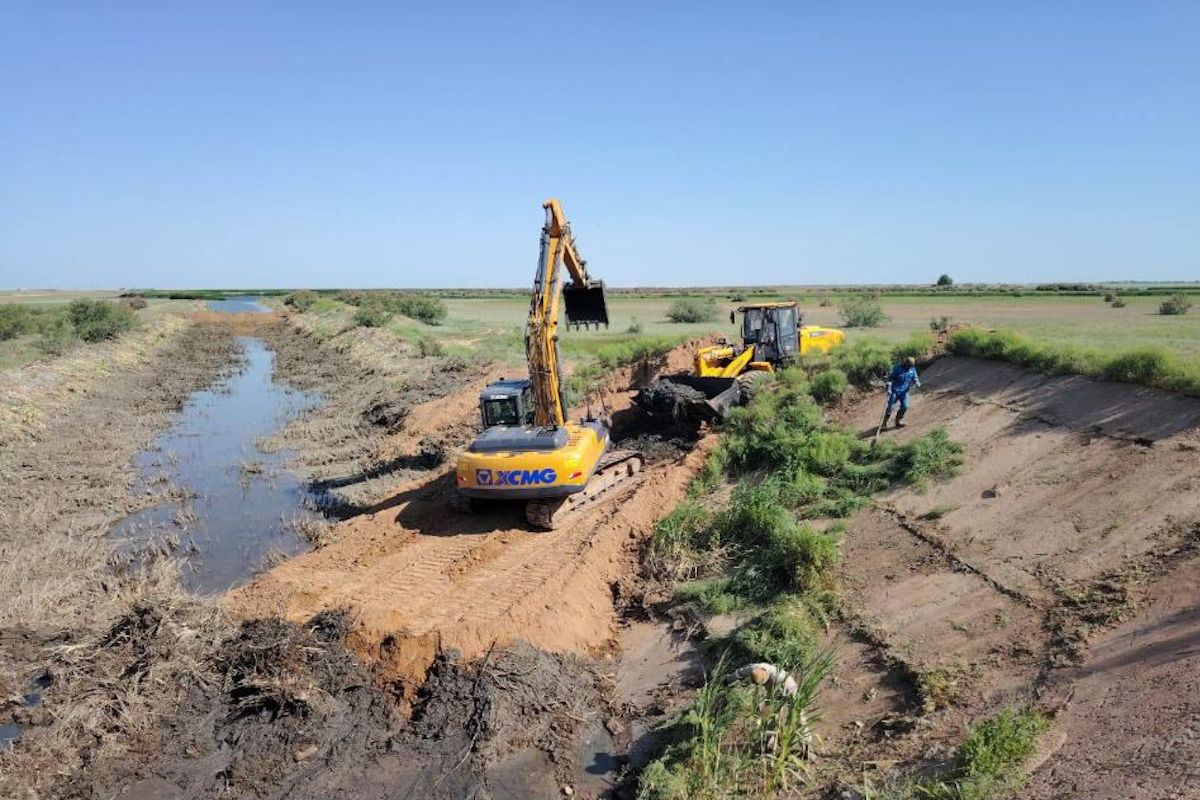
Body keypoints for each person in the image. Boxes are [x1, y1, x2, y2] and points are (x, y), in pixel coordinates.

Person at [883, 356, 920, 428]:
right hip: (894, 391)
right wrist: (889, 388)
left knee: (905, 406)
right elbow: (890, 379)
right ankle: (884, 423)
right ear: (905, 363)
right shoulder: (897, 368)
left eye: (911, 366)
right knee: (890, 407)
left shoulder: (912, 369)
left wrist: (917, 382)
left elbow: (915, 377)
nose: (909, 368)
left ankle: (898, 421)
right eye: (908, 366)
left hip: (904, 392)